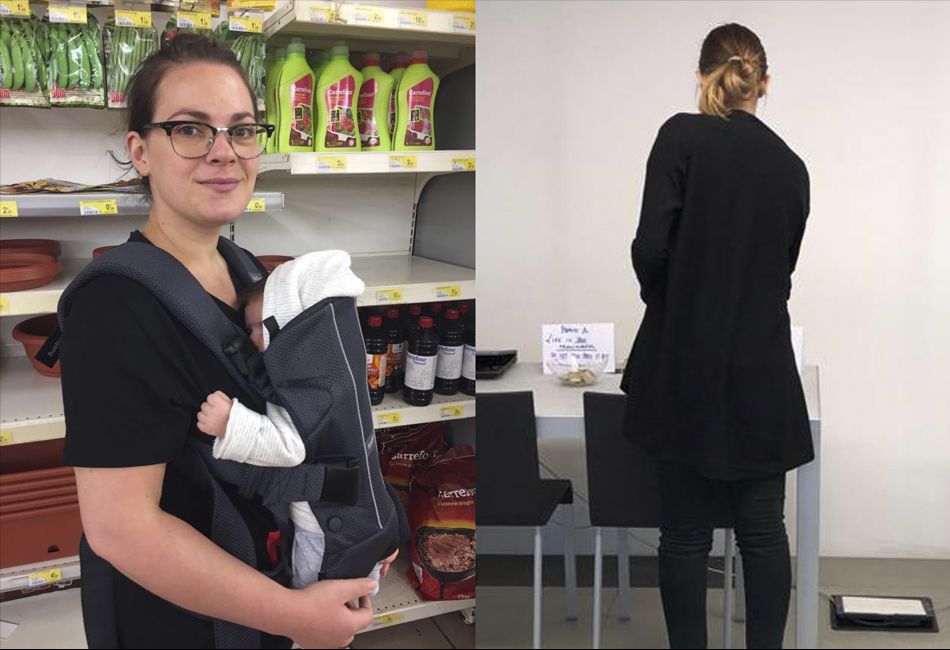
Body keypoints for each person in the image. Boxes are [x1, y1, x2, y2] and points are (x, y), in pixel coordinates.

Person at [61, 35, 375, 648]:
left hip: (264, 588)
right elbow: (121, 529)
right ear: (140, 151)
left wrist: (350, 530)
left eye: (242, 128)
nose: (224, 153)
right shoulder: (116, 307)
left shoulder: (244, 271)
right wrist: (297, 618)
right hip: (182, 623)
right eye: (190, 130)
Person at [620, 23, 814, 649]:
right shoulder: (792, 167)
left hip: (683, 366)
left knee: (683, 533)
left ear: (701, 76)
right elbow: (779, 274)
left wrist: (675, 307)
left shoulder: (680, 137)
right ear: (766, 85)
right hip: (763, 368)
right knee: (763, 530)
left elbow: (651, 248)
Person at [195, 251, 400, 593]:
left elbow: (290, 448)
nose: (254, 340)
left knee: (314, 593)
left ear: (290, 320)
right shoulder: (332, 370)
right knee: (360, 585)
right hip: (365, 516)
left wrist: (231, 424)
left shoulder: (312, 390)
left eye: (260, 327)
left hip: (327, 532)